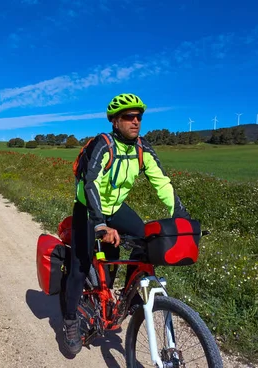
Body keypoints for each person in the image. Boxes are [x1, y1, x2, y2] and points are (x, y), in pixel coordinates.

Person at [62, 93, 191, 355]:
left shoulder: (142, 148)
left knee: (147, 239)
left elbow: (161, 181)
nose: (135, 121)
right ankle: (70, 322)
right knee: (80, 265)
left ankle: (128, 296)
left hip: (116, 208)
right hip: (88, 208)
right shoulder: (103, 144)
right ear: (115, 121)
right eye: (128, 117)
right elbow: (91, 184)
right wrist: (99, 224)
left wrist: (181, 215)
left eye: (139, 117)